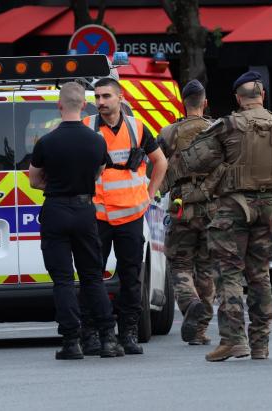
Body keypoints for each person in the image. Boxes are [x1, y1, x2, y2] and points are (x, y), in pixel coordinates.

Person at [181, 71, 272, 362]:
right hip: (267, 208)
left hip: (233, 207)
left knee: (229, 273)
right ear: (263, 96)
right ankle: (260, 344)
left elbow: (195, 159)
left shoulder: (228, 125)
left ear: (237, 97)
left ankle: (234, 341)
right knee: (260, 275)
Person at [29, 81, 124, 360]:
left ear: (59, 106)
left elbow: (34, 180)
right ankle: (108, 339)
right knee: (93, 277)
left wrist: (55, 184)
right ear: (84, 105)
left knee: (62, 281)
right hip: (85, 211)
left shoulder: (46, 141)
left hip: (56, 210)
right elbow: (100, 171)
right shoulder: (97, 140)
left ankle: (72, 342)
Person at [82, 77, 168, 355]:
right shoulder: (88, 127)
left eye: (106, 96)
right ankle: (92, 332)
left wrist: (150, 194)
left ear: (120, 98)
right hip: (98, 214)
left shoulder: (137, 127)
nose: (101, 102)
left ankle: (128, 332)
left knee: (131, 276)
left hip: (131, 214)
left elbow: (161, 162)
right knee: (92, 275)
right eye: (97, 97)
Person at [157, 80, 216, 345]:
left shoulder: (169, 132)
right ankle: (200, 331)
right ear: (204, 103)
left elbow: (155, 166)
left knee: (180, 264)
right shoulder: (218, 130)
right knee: (206, 267)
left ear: (183, 102)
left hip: (182, 206)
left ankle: (190, 302)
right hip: (212, 206)